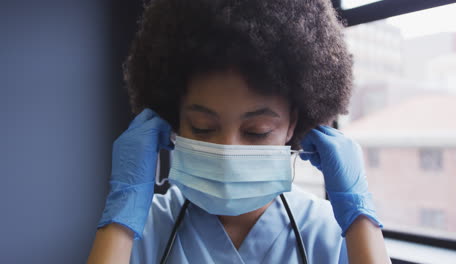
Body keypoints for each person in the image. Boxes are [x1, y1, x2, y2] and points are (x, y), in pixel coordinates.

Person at [87, 0, 391, 263]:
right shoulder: (143, 229)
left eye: (257, 131)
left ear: (292, 125)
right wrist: (121, 217)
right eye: (203, 128)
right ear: (173, 122)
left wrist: (360, 217)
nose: (227, 151)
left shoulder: (329, 231)